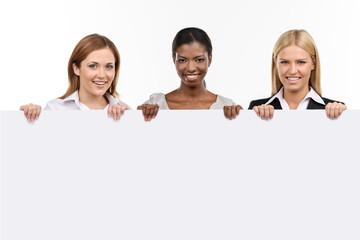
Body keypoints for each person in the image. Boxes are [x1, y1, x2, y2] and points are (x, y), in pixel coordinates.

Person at [137, 27, 242, 121]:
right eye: (182, 60)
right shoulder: (156, 105)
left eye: (199, 60)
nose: (191, 68)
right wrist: (139, 117)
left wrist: (242, 119)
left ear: (210, 59)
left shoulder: (226, 107)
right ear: (174, 60)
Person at [20, 34, 129, 122]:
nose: (101, 75)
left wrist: (132, 121)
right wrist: (24, 120)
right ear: (76, 68)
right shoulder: (55, 110)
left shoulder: (126, 112)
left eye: (109, 66)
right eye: (93, 66)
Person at [248, 29, 346, 120]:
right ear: (276, 64)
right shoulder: (256, 109)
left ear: (313, 64)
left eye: (301, 62)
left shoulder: (334, 109)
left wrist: (343, 119)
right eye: (284, 62)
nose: (292, 71)